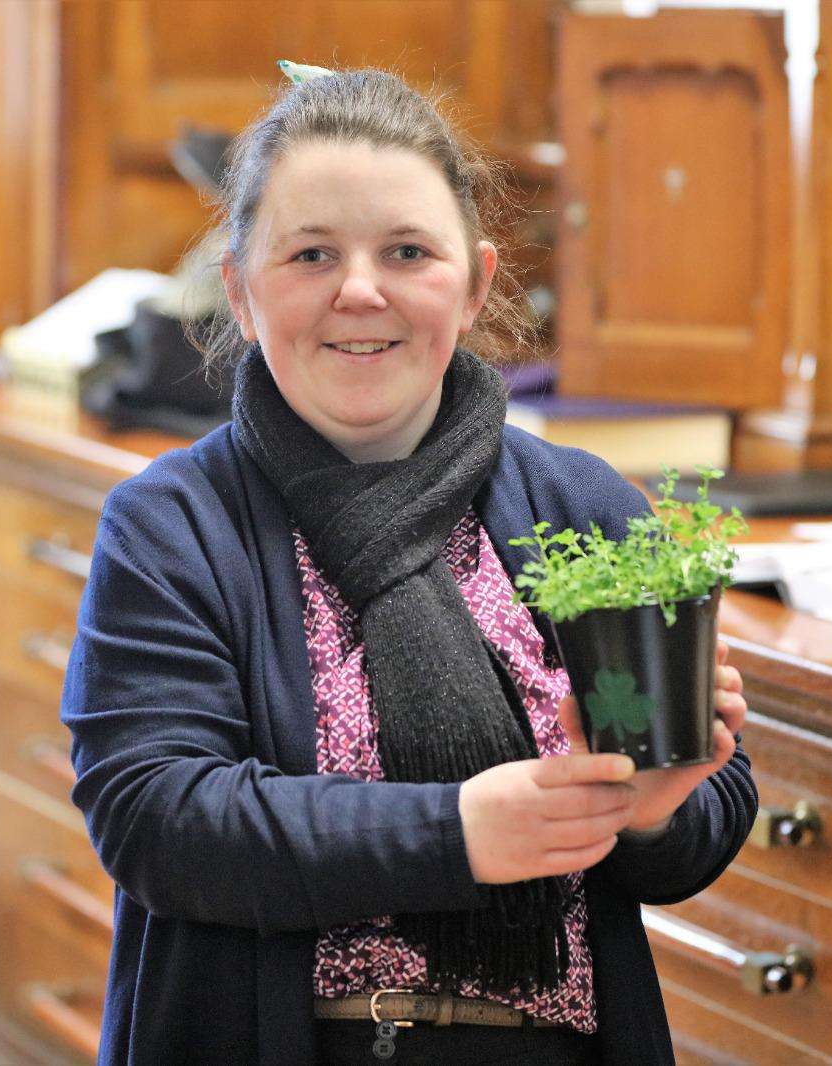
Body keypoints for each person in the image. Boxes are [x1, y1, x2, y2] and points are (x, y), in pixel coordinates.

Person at [61, 65, 758, 1066]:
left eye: (406, 251)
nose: (360, 289)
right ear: (240, 292)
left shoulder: (584, 506)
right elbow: (158, 817)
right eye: (311, 253)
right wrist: (457, 834)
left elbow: (708, 822)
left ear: (473, 285)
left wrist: (655, 809)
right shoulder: (171, 525)